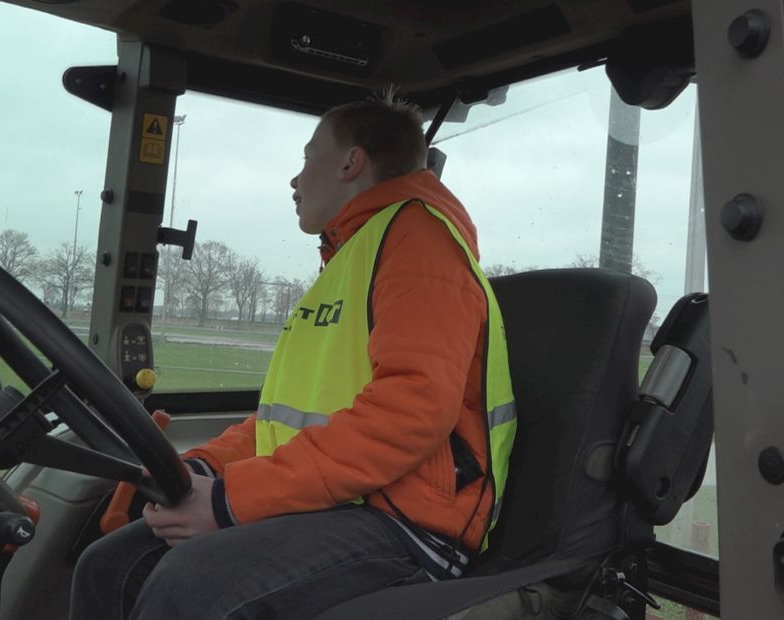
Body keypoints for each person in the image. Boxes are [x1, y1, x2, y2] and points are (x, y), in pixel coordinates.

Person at [70, 92, 517, 619]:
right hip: (343, 499)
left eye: (307, 159)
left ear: (351, 162)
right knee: (108, 565)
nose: (295, 179)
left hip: (406, 524)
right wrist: (201, 467)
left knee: (192, 584)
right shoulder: (354, 255)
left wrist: (228, 500)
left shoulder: (418, 240)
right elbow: (284, 422)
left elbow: (412, 409)